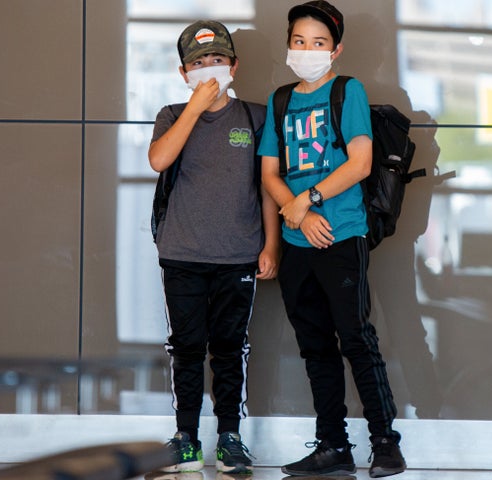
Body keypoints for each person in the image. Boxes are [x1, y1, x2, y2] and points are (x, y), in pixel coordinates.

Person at [257, 2, 406, 477]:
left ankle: (385, 444)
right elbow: (269, 173)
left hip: (342, 236)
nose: (307, 50)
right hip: (299, 242)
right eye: (299, 41)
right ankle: (333, 446)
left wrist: (310, 199)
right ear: (288, 45)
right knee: (314, 346)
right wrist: (296, 215)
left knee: (357, 340)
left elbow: (360, 162)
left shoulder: (348, 91)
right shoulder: (281, 101)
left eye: (318, 43)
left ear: (335, 50)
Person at [148, 20, 280, 474]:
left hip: (238, 254)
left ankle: (229, 437)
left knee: (229, 347)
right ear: (183, 72)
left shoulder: (255, 117)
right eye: (199, 63)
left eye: (218, 60)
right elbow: (159, 159)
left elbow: (267, 186)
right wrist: (194, 107)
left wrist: (271, 246)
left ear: (234, 66)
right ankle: (185, 438)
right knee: (185, 346)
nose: (209, 69)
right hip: (181, 252)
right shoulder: (170, 114)